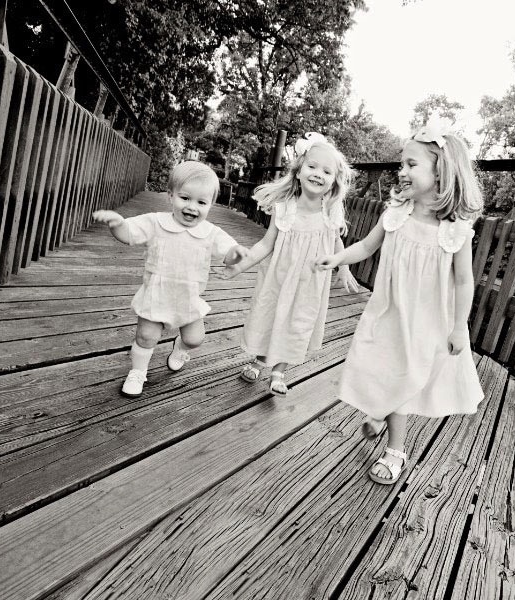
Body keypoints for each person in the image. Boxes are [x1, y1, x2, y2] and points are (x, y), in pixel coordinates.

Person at [314, 124, 485, 484]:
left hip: (426, 321)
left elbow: (464, 280)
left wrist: (459, 326)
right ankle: (381, 408)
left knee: (408, 374)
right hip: (388, 311)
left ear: (440, 172)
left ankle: (396, 451)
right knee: (379, 366)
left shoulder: (455, 229)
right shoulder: (396, 214)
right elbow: (365, 247)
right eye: (401, 165)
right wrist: (337, 258)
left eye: (411, 164)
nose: (401, 172)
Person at [221, 132, 361, 396]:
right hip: (278, 277)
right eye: (312, 166)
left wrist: (343, 266)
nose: (318, 173)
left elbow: (336, 243)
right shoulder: (284, 207)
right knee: (270, 315)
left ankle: (279, 371)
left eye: (326, 171)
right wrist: (242, 264)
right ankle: (260, 361)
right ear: (298, 172)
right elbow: (266, 243)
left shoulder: (330, 210)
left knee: (298, 322)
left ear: (333, 181)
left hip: (309, 283)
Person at [92, 161, 247, 397]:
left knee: (195, 339)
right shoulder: (156, 222)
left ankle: (180, 348)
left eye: (201, 202)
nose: (192, 207)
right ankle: (138, 372)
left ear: (211, 205)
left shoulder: (211, 232)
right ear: (170, 195)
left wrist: (236, 254)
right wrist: (117, 224)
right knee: (146, 337)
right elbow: (129, 234)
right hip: (157, 293)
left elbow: (228, 253)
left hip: (188, 298)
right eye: (185, 198)